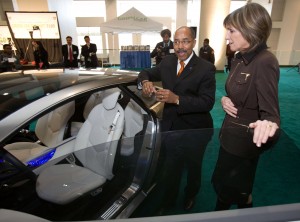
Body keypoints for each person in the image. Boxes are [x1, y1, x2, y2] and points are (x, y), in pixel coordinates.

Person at [138, 26, 216, 212]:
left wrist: (177, 99)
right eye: (177, 41)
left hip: (195, 130)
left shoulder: (206, 68)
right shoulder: (167, 62)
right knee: (170, 168)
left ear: (194, 43)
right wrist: (146, 81)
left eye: (186, 41)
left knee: (193, 167)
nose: (180, 46)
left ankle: (191, 194)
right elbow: (146, 72)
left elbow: (207, 102)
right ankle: (168, 203)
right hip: (171, 128)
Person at [212, 3, 280, 211]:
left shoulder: (265, 61)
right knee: (223, 188)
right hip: (229, 138)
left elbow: (271, 117)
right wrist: (225, 100)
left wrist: (268, 126)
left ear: (250, 29)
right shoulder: (239, 58)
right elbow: (237, 92)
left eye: (231, 30)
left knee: (236, 194)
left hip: (244, 147)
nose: (227, 37)